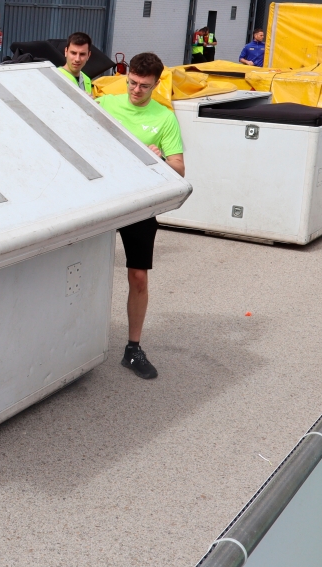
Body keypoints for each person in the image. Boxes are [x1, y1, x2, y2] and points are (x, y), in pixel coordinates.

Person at [97, 53, 185, 380]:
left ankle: (133, 349)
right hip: (101, 200)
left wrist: (159, 159)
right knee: (82, 271)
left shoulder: (164, 118)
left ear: (156, 84)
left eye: (144, 86)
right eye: (132, 82)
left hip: (139, 204)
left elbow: (179, 168)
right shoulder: (106, 104)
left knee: (138, 277)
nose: (136, 90)